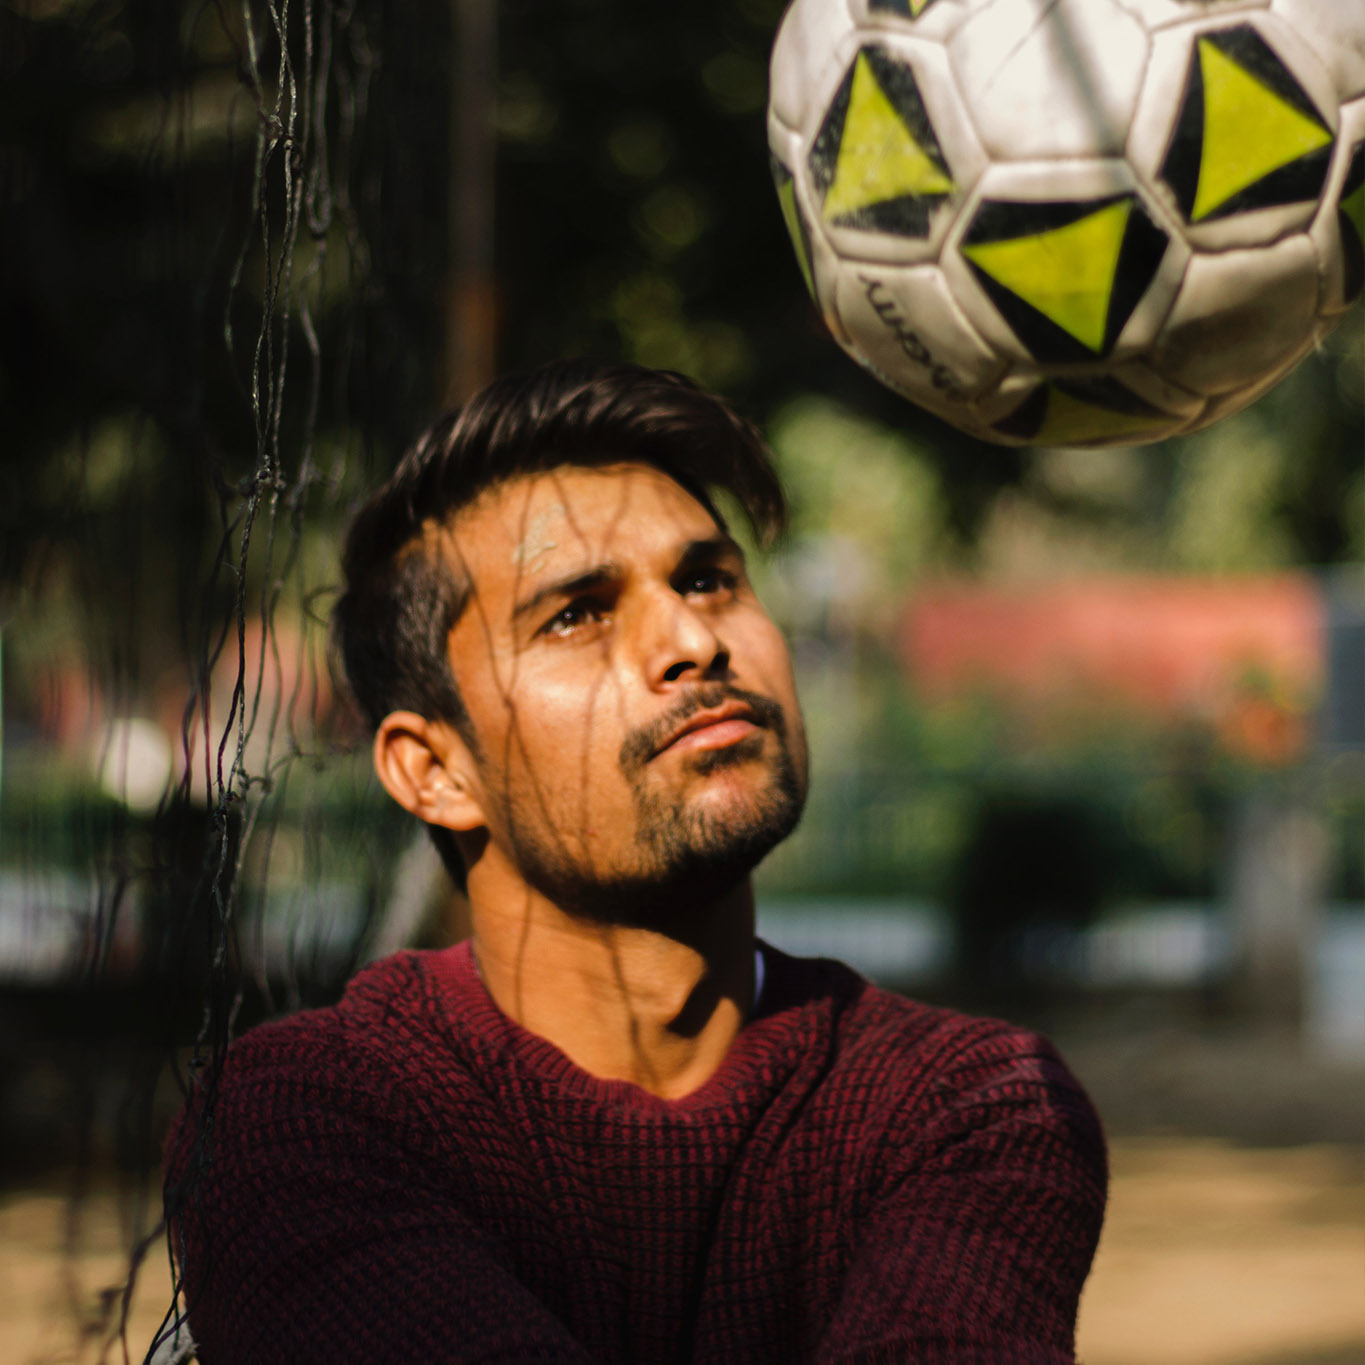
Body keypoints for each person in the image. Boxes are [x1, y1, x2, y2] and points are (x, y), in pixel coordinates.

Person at [164, 359, 1106, 1364]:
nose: (693, 639)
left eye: (709, 578)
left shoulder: (975, 1103)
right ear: (434, 769)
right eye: (576, 613)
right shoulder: (298, 1119)